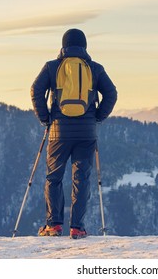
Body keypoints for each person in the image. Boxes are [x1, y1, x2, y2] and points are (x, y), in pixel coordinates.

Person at [30, 28, 117, 239]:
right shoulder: (95, 69)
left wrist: (45, 118)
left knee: (54, 178)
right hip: (86, 133)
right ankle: (77, 227)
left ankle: (53, 225)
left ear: (63, 46)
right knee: (82, 179)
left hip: (58, 132)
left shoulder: (52, 67)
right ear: (85, 46)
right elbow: (111, 93)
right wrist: (97, 116)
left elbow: (36, 90)